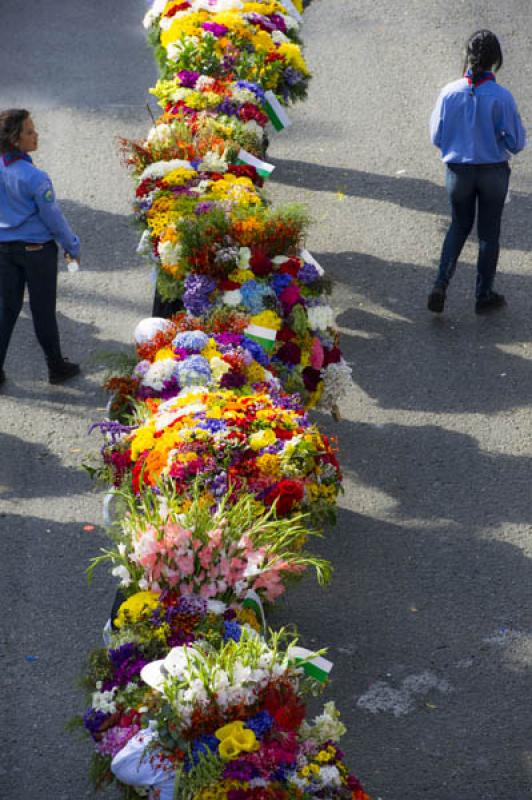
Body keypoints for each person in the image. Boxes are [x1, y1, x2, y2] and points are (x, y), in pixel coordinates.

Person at [428, 30, 527, 314]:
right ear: (496, 59)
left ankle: (440, 283)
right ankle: (484, 294)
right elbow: (517, 142)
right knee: (488, 232)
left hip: (459, 171)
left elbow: (437, 135)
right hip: (493, 172)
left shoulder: (449, 92)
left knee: (459, 225)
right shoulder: (501, 96)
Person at [0, 108, 81, 384]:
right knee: (42, 309)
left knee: (6, 310)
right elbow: (53, 218)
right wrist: (71, 244)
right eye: (29, 132)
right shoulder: (35, 177)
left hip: (3, 250)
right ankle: (56, 367)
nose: (36, 135)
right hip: (37, 252)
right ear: (14, 139)